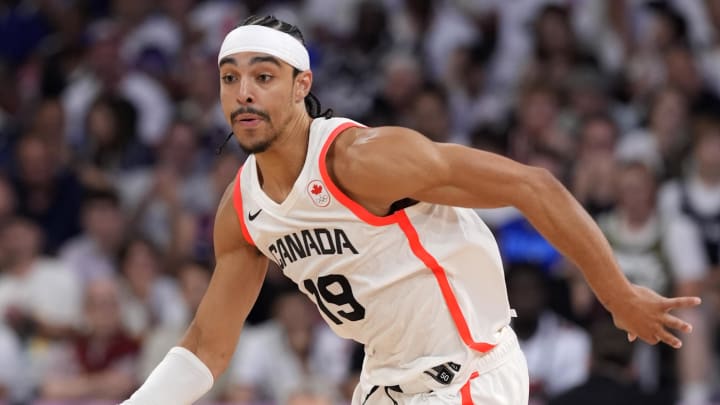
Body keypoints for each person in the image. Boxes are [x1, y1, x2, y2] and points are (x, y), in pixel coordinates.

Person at [122, 15, 702, 405]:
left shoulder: (364, 160)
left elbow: (534, 185)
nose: (243, 92)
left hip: (471, 371)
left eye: (263, 77)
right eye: (230, 79)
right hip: (383, 383)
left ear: (302, 86)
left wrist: (620, 296)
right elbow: (206, 347)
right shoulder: (243, 210)